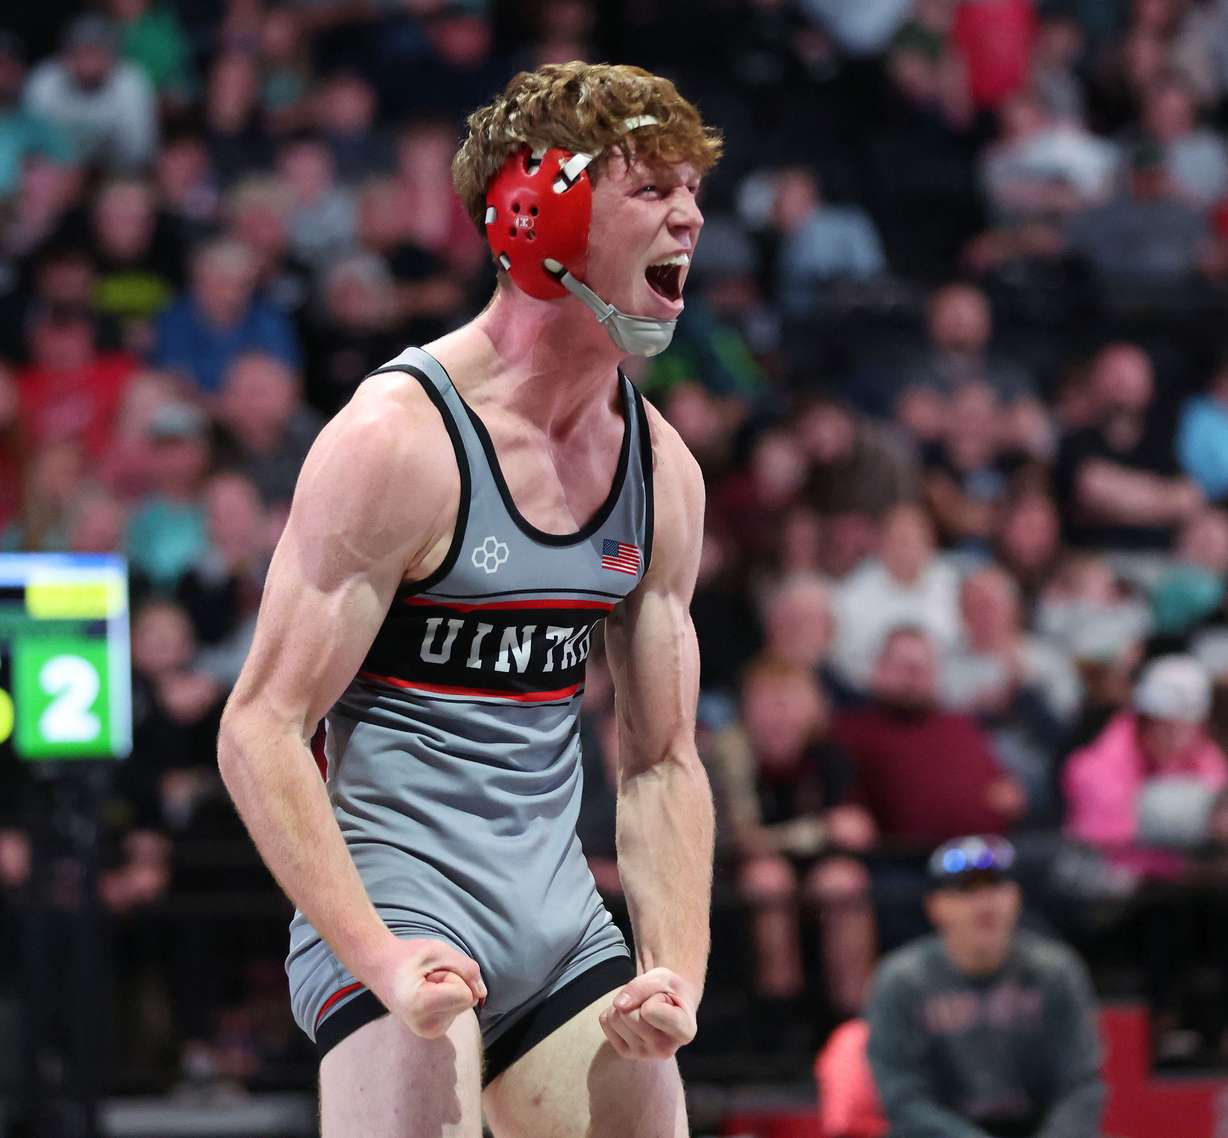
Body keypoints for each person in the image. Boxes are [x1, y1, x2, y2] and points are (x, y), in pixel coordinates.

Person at [218, 61, 721, 1136]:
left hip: (557, 922)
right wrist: (379, 955)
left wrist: (674, 967)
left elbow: (663, 759)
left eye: (693, 192)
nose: (688, 215)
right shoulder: (397, 442)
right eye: (650, 189)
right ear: (538, 209)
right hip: (398, 907)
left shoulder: (659, 470)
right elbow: (259, 725)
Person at [866, 835, 1105, 1138]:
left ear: (1016, 897)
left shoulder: (1056, 972)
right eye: (966, 890)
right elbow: (903, 1100)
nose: (984, 903)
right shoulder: (901, 980)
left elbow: (1081, 1085)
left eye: (995, 886)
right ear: (936, 906)